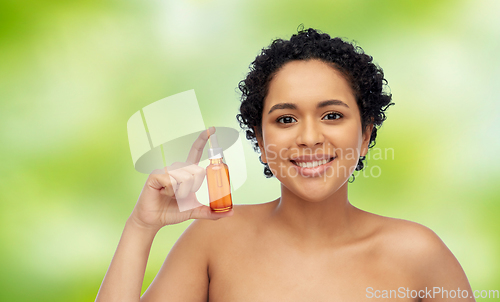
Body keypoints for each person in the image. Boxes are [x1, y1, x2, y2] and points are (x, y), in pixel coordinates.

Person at [96, 27, 475, 302]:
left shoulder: (418, 254)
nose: (309, 138)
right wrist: (141, 227)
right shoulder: (214, 240)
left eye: (331, 115)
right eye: (286, 120)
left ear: (364, 136)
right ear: (260, 143)